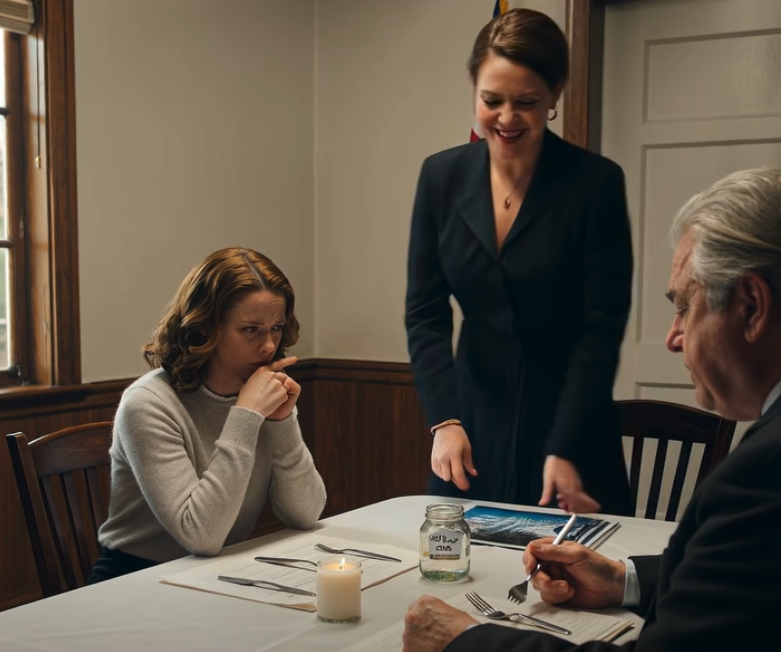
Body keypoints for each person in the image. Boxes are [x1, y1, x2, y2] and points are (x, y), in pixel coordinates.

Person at [401, 167, 781, 651]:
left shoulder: (762, 473)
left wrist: (466, 640)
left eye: (685, 307)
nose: (672, 338)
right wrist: (624, 579)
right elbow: (750, 582)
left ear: (751, 307)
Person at [404, 8, 633, 514]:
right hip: (470, 424)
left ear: (554, 95)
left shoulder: (595, 184)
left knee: (571, 563)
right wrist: (444, 420)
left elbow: (601, 328)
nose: (506, 118)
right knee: (452, 558)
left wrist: (566, 443)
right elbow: (425, 313)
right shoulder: (440, 177)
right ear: (474, 89)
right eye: (492, 100)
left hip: (572, 426)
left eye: (526, 102)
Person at [89, 247, 326, 582]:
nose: (269, 345)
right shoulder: (146, 404)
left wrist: (281, 421)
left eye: (276, 327)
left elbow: (306, 513)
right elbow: (201, 535)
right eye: (250, 329)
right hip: (136, 579)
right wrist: (246, 415)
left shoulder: (262, 392)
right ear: (205, 328)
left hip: (218, 573)